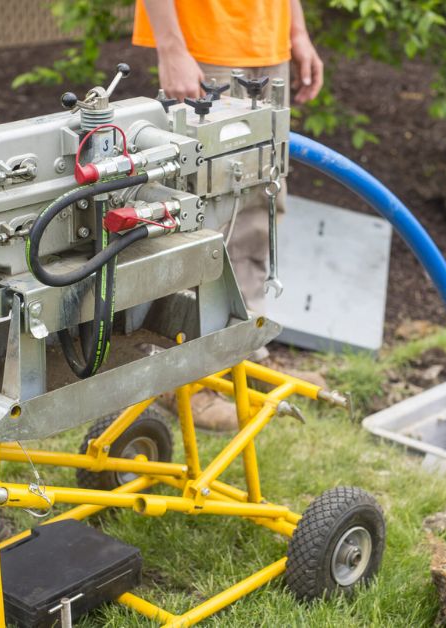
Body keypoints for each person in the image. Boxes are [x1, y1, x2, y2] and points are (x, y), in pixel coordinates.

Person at [133, 0, 325, 430]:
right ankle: (183, 376)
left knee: (258, 207)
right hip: (204, 48)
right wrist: (170, 46)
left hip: (266, 47)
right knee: (200, 213)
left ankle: (244, 358)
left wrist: (295, 32)